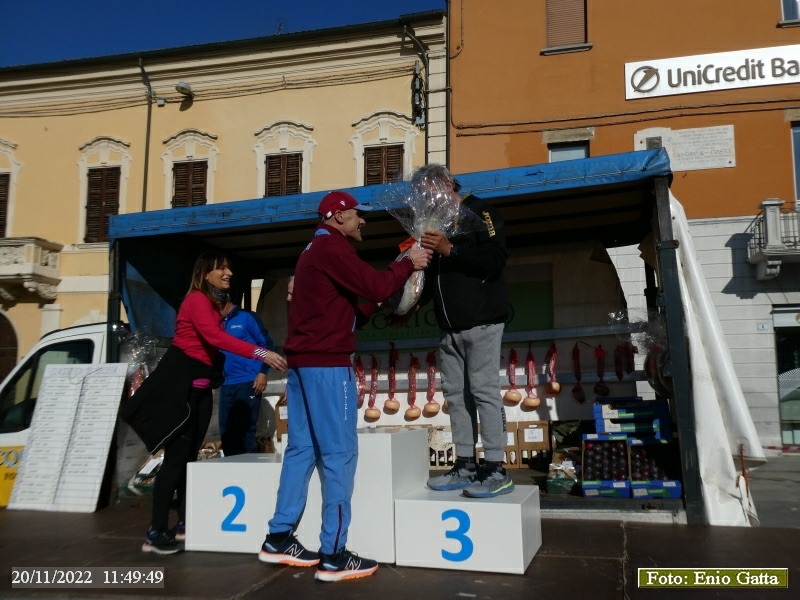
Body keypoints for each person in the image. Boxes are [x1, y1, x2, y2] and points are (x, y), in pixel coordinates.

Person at [258, 190, 431, 582]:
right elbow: (377, 285)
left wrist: (388, 301)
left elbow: (351, 310)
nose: (362, 220)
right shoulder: (331, 248)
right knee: (339, 455)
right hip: (327, 367)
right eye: (357, 214)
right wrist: (408, 261)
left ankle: (279, 537)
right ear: (338, 217)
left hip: (303, 365)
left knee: (301, 450)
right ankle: (334, 556)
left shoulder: (314, 250)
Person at [137, 251, 287, 555]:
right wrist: (261, 354)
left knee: (189, 458)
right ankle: (155, 532)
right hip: (183, 394)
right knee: (175, 460)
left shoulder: (214, 306)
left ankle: (184, 524)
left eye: (229, 268)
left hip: (201, 394)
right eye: (221, 268)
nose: (228, 273)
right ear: (205, 274)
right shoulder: (196, 301)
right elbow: (215, 339)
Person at [415, 164, 514, 498]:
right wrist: (414, 303)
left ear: (447, 184)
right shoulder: (436, 223)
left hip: (482, 322)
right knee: (455, 397)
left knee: (484, 392)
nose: (426, 200)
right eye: (421, 196)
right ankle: (465, 464)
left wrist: (452, 249)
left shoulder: (481, 211)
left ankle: (496, 467)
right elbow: (435, 276)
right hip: (449, 328)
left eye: (428, 193)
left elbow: (495, 259)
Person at [218, 298, 276, 456]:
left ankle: (245, 466)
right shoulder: (216, 322)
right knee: (226, 430)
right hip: (226, 383)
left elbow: (267, 345)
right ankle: (230, 466)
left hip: (248, 381)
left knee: (245, 431)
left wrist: (263, 372)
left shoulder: (247, 317)